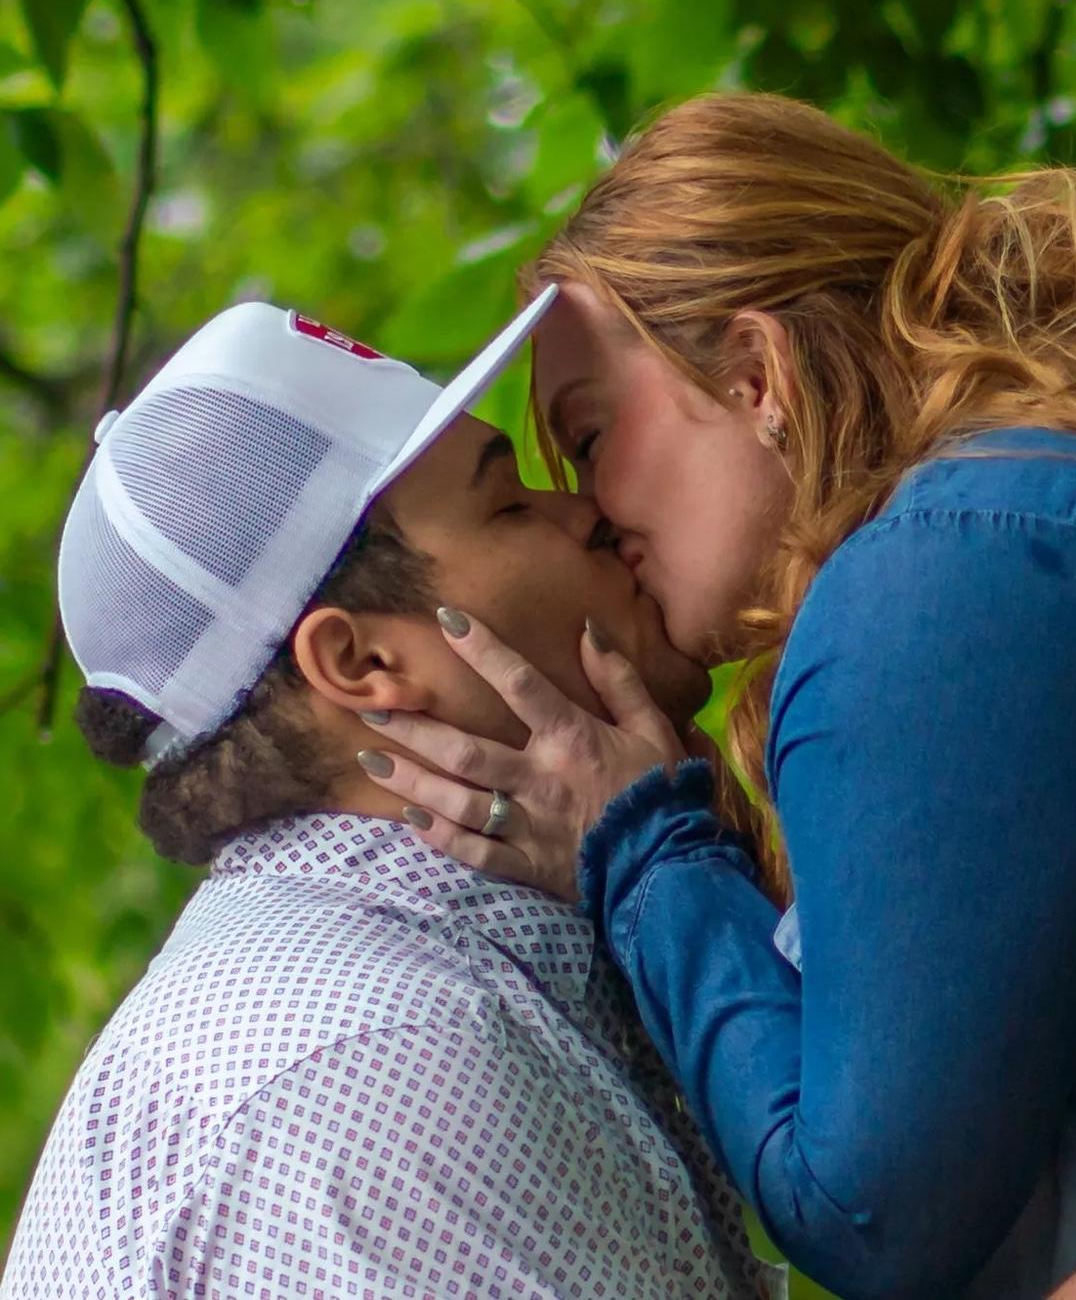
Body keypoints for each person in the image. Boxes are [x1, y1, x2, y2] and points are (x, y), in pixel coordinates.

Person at [355, 93, 1076, 1298]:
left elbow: (873, 1216)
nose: (592, 511)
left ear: (755, 373)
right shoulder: (1019, 515)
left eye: (589, 435)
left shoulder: (941, 577)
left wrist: (639, 846)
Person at [0, 296, 782, 1300]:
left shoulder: (392, 981)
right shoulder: (377, 1054)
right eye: (508, 505)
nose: (584, 508)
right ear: (362, 663)